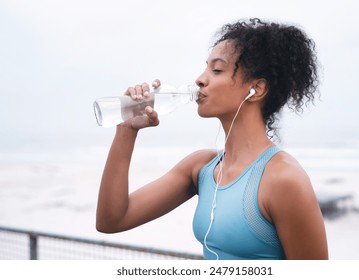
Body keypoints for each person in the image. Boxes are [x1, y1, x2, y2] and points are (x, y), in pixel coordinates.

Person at [96, 18, 328, 260]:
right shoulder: (202, 169)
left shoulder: (283, 179)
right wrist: (126, 129)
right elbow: (111, 220)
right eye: (205, 68)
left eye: (216, 70)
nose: (200, 79)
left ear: (256, 89)